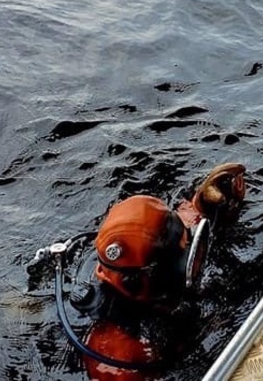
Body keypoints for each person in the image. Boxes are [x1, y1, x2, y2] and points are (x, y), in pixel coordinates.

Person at [64, 163, 246, 380]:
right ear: (140, 280)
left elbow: (174, 235)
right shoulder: (121, 357)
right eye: (182, 261)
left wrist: (203, 204)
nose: (190, 263)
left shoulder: (151, 269)